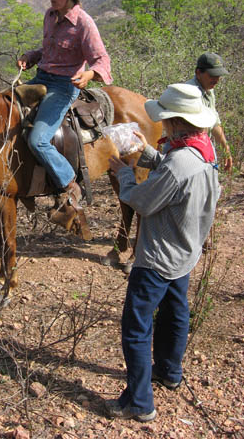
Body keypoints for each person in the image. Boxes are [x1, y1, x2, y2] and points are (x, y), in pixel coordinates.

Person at [105, 83, 221, 422]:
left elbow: (142, 200)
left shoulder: (180, 162)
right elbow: (177, 177)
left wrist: (124, 172)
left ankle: (139, 403)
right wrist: (149, 155)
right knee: (175, 312)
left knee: (136, 327)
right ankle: (170, 371)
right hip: (186, 250)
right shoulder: (203, 149)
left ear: (173, 121)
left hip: (158, 257)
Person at [17, 0, 112, 201]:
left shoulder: (84, 23)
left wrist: (89, 75)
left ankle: (69, 183)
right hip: (41, 78)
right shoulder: (50, 16)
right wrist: (31, 56)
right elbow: (48, 50)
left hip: (63, 86)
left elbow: (101, 59)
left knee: (38, 140)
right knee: (3, 106)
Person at [186, 52, 233, 172]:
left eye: (218, 75)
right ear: (198, 73)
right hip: (190, 153)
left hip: (204, 149)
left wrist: (225, 149)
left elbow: (214, 123)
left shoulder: (209, 90)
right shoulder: (189, 92)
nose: (216, 80)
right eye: (212, 75)